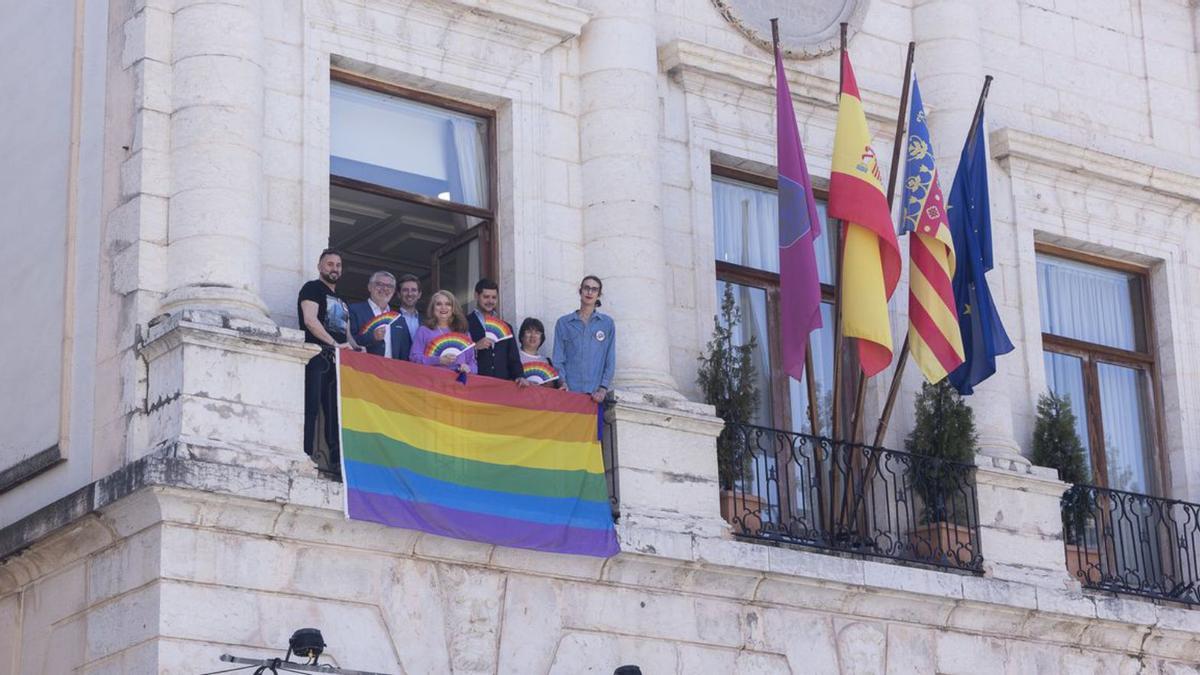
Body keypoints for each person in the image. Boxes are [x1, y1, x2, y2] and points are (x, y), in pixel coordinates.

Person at [297, 249, 358, 475]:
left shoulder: (342, 302)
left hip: (337, 360)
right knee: (311, 408)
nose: (335, 268)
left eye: (338, 265)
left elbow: (347, 334)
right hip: (317, 356)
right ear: (320, 266)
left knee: (335, 413)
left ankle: (335, 462)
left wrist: (357, 347)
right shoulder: (312, 288)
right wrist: (334, 343)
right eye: (330, 264)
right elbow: (310, 321)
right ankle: (305, 454)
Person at [553, 275, 615, 403]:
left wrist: (603, 389)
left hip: (595, 396)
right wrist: (562, 382)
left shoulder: (607, 324)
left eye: (594, 289)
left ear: (599, 294)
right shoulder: (563, 323)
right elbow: (558, 359)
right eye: (586, 288)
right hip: (569, 394)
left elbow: (610, 359)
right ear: (580, 291)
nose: (589, 292)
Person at [467, 278, 527, 386]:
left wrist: (520, 376)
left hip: (501, 387)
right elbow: (457, 356)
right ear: (476, 296)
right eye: (486, 297)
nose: (490, 301)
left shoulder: (506, 326)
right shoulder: (464, 323)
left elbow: (513, 358)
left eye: (494, 297)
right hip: (474, 385)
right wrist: (475, 347)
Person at [410, 290, 477, 375]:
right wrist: (438, 360)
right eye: (439, 304)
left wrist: (468, 368)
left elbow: (473, 364)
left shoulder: (464, 333)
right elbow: (414, 358)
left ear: (453, 308)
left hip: (458, 384)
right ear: (433, 308)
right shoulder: (423, 331)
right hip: (431, 383)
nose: (443, 307)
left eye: (448, 304)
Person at [348, 271, 406, 358]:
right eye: (379, 284)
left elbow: (404, 351)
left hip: (392, 370)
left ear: (394, 291)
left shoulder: (399, 318)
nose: (385, 289)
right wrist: (372, 337)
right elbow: (349, 341)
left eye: (389, 286)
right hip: (364, 368)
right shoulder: (354, 310)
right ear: (370, 287)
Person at [518, 317, 559, 388]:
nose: (533, 336)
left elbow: (551, 388)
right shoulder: (514, 358)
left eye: (537, 333)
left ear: (542, 338)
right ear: (522, 336)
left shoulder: (547, 362)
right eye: (529, 332)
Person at [393, 273, 422, 362]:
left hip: (422, 370)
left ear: (419, 294)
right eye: (405, 290)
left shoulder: (428, 321)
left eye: (413, 290)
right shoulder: (391, 318)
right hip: (397, 369)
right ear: (398, 294)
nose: (410, 294)